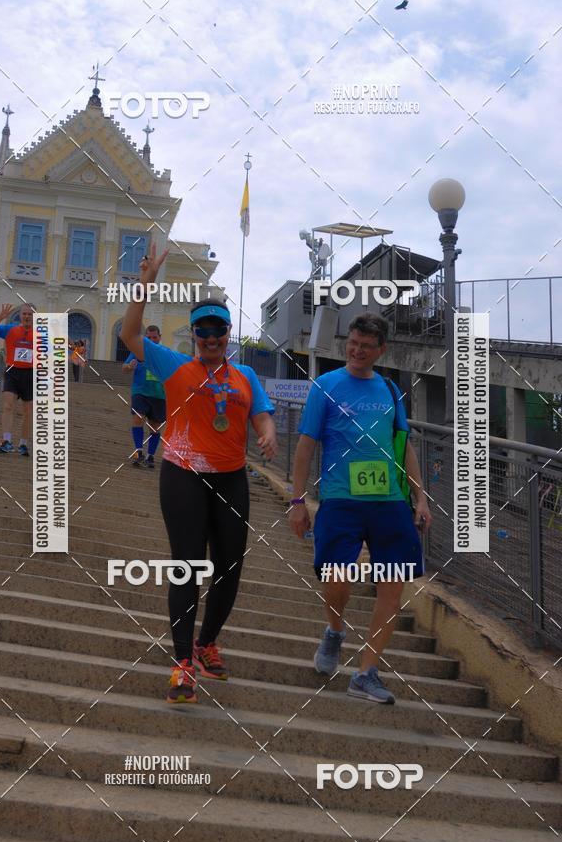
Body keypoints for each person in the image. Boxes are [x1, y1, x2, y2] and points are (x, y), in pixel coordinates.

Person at [121, 244, 277, 704]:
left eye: (219, 331)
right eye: (203, 331)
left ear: (229, 333)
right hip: (183, 474)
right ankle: (183, 662)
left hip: (230, 478)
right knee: (188, 566)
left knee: (230, 567)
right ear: (193, 334)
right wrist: (145, 283)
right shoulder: (175, 366)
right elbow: (130, 334)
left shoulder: (245, 374)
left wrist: (267, 434)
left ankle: (208, 643)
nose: (211, 338)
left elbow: (262, 415)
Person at [289, 313, 432, 705]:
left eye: (366, 346)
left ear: (380, 350)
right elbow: (304, 447)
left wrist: (420, 497)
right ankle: (334, 630)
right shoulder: (327, 386)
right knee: (337, 578)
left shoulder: (389, 389)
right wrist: (298, 501)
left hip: (389, 503)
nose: (357, 351)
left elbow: (404, 447)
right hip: (341, 499)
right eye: (353, 343)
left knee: (392, 585)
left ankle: (367, 672)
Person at [0, 303, 34, 456]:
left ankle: (23, 444)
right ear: (20, 315)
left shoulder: (41, 333)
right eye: (24, 314)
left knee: (28, 411)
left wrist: (75, 351)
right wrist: (1, 317)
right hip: (12, 371)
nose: (27, 316)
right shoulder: (10, 329)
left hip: (31, 373)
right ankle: (6, 441)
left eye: (30, 314)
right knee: (8, 406)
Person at [122, 325, 166, 468]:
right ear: (144, 337)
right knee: (137, 418)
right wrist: (130, 367)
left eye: (155, 337)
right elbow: (124, 367)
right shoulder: (138, 351)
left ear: (160, 337)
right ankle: (138, 452)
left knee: (155, 427)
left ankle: (150, 456)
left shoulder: (164, 354)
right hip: (140, 392)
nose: (152, 340)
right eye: (149, 337)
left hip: (159, 395)